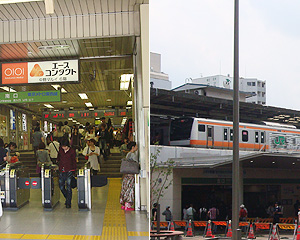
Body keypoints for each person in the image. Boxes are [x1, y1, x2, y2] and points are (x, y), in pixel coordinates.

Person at [57, 138, 76, 208]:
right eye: (62, 146)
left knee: (68, 186)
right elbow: (58, 158)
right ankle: (67, 198)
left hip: (69, 170)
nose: (64, 148)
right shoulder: (60, 150)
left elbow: (74, 161)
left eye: (65, 146)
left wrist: (74, 170)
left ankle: (68, 202)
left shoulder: (72, 151)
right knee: (61, 186)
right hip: (61, 170)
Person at [120, 141, 138, 211]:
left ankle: (124, 204)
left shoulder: (128, 154)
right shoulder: (133, 154)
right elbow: (135, 163)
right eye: (136, 146)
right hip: (131, 174)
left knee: (125, 188)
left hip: (126, 174)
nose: (137, 147)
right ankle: (128, 205)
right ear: (133, 147)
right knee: (130, 189)